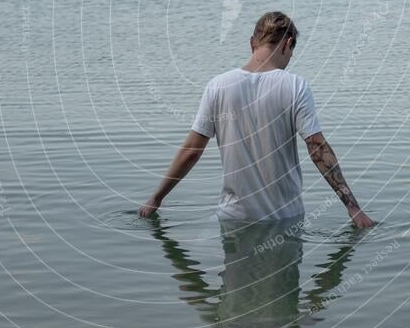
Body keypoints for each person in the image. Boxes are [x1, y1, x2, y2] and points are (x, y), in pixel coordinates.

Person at [138, 11, 375, 228]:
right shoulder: (295, 86)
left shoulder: (218, 86)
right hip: (284, 219)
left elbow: (191, 151)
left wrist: (156, 198)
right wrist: (353, 208)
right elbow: (316, 147)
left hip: (234, 219)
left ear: (252, 43)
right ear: (288, 43)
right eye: (292, 51)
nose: (290, 58)